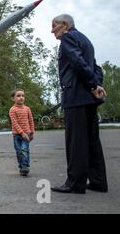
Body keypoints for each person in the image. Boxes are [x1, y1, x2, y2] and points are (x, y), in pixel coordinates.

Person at [50, 14, 108, 194]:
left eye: (54, 26)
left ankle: (75, 183)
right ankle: (98, 181)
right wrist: (97, 85)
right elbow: (95, 67)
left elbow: (77, 63)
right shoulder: (85, 40)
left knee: (75, 142)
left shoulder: (68, 38)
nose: (52, 30)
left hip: (75, 96)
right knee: (92, 141)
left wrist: (92, 85)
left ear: (65, 25)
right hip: (89, 99)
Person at [9, 89, 35, 177]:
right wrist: (21, 133)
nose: (21, 98)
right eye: (18, 96)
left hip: (27, 134)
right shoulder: (12, 110)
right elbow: (14, 123)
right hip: (17, 135)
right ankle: (21, 166)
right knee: (19, 151)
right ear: (13, 98)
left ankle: (25, 167)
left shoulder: (27, 109)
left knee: (24, 150)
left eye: (23, 96)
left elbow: (31, 121)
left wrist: (32, 132)